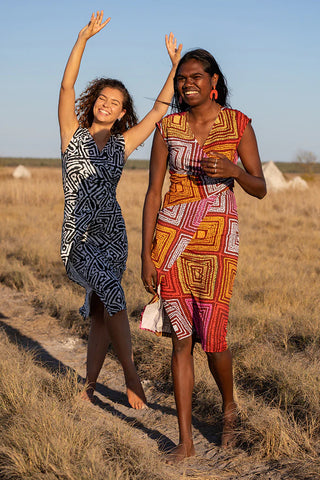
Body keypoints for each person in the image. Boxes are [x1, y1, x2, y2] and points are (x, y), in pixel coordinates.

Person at [141, 48, 266, 458]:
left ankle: (229, 408)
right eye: (182, 78)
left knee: (213, 339)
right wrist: (147, 255)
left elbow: (259, 187)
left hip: (217, 244)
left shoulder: (238, 124)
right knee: (181, 339)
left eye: (196, 77)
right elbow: (153, 192)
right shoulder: (168, 129)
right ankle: (186, 441)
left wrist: (234, 172)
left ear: (214, 81)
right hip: (172, 242)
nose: (187, 84)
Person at [59, 11, 182, 409]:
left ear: (122, 111)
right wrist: (83, 39)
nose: (107, 106)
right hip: (78, 237)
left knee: (101, 310)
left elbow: (159, 111)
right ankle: (132, 377)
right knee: (112, 294)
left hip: (112, 236)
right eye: (102, 99)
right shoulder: (70, 135)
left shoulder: (122, 145)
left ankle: (89, 386)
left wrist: (175, 68)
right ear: (93, 101)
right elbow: (65, 85)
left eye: (116, 103)